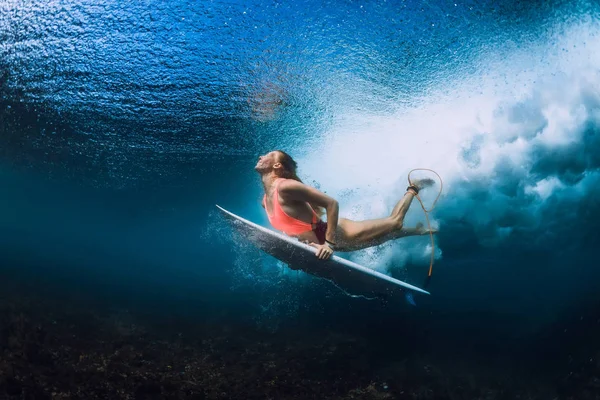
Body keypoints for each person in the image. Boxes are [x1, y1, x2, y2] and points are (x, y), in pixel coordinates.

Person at [255, 150, 437, 260]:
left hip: (340, 235)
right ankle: (418, 230)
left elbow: (332, 204)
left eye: (269, 155)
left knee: (394, 222)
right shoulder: (266, 201)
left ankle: (413, 187)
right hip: (328, 244)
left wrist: (328, 244)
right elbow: (293, 228)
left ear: (277, 166)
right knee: (382, 238)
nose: (262, 156)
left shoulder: (286, 187)